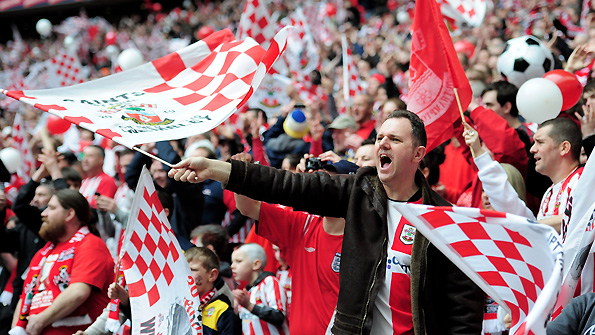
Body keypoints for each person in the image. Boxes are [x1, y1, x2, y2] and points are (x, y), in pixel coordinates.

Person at [169, 110, 484, 335]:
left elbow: (463, 312)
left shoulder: (445, 221)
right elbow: (286, 185)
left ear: (418, 153)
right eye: (380, 138)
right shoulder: (359, 193)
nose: (383, 144)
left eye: (395, 139)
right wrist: (217, 169)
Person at [11, 189, 114, 335]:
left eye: (51, 208)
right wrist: (16, 330)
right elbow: (25, 297)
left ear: (70, 214)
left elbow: (78, 292)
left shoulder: (91, 244)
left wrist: (40, 320)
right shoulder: (43, 253)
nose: (43, 213)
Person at [531, 118, 583, 236]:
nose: (532, 149)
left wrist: (530, 226)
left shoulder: (583, 180)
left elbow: (580, 218)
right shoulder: (549, 192)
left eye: (540, 142)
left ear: (564, 148)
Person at [231, 243, 289, 335]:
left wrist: (249, 305)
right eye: (232, 262)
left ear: (256, 264)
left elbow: (278, 316)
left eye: (238, 261)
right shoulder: (246, 292)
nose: (232, 266)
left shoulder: (269, 282)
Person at [185, 247, 240, 335]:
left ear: (212, 275)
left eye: (192, 270)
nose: (185, 274)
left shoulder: (222, 311)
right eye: (184, 269)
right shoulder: (182, 308)